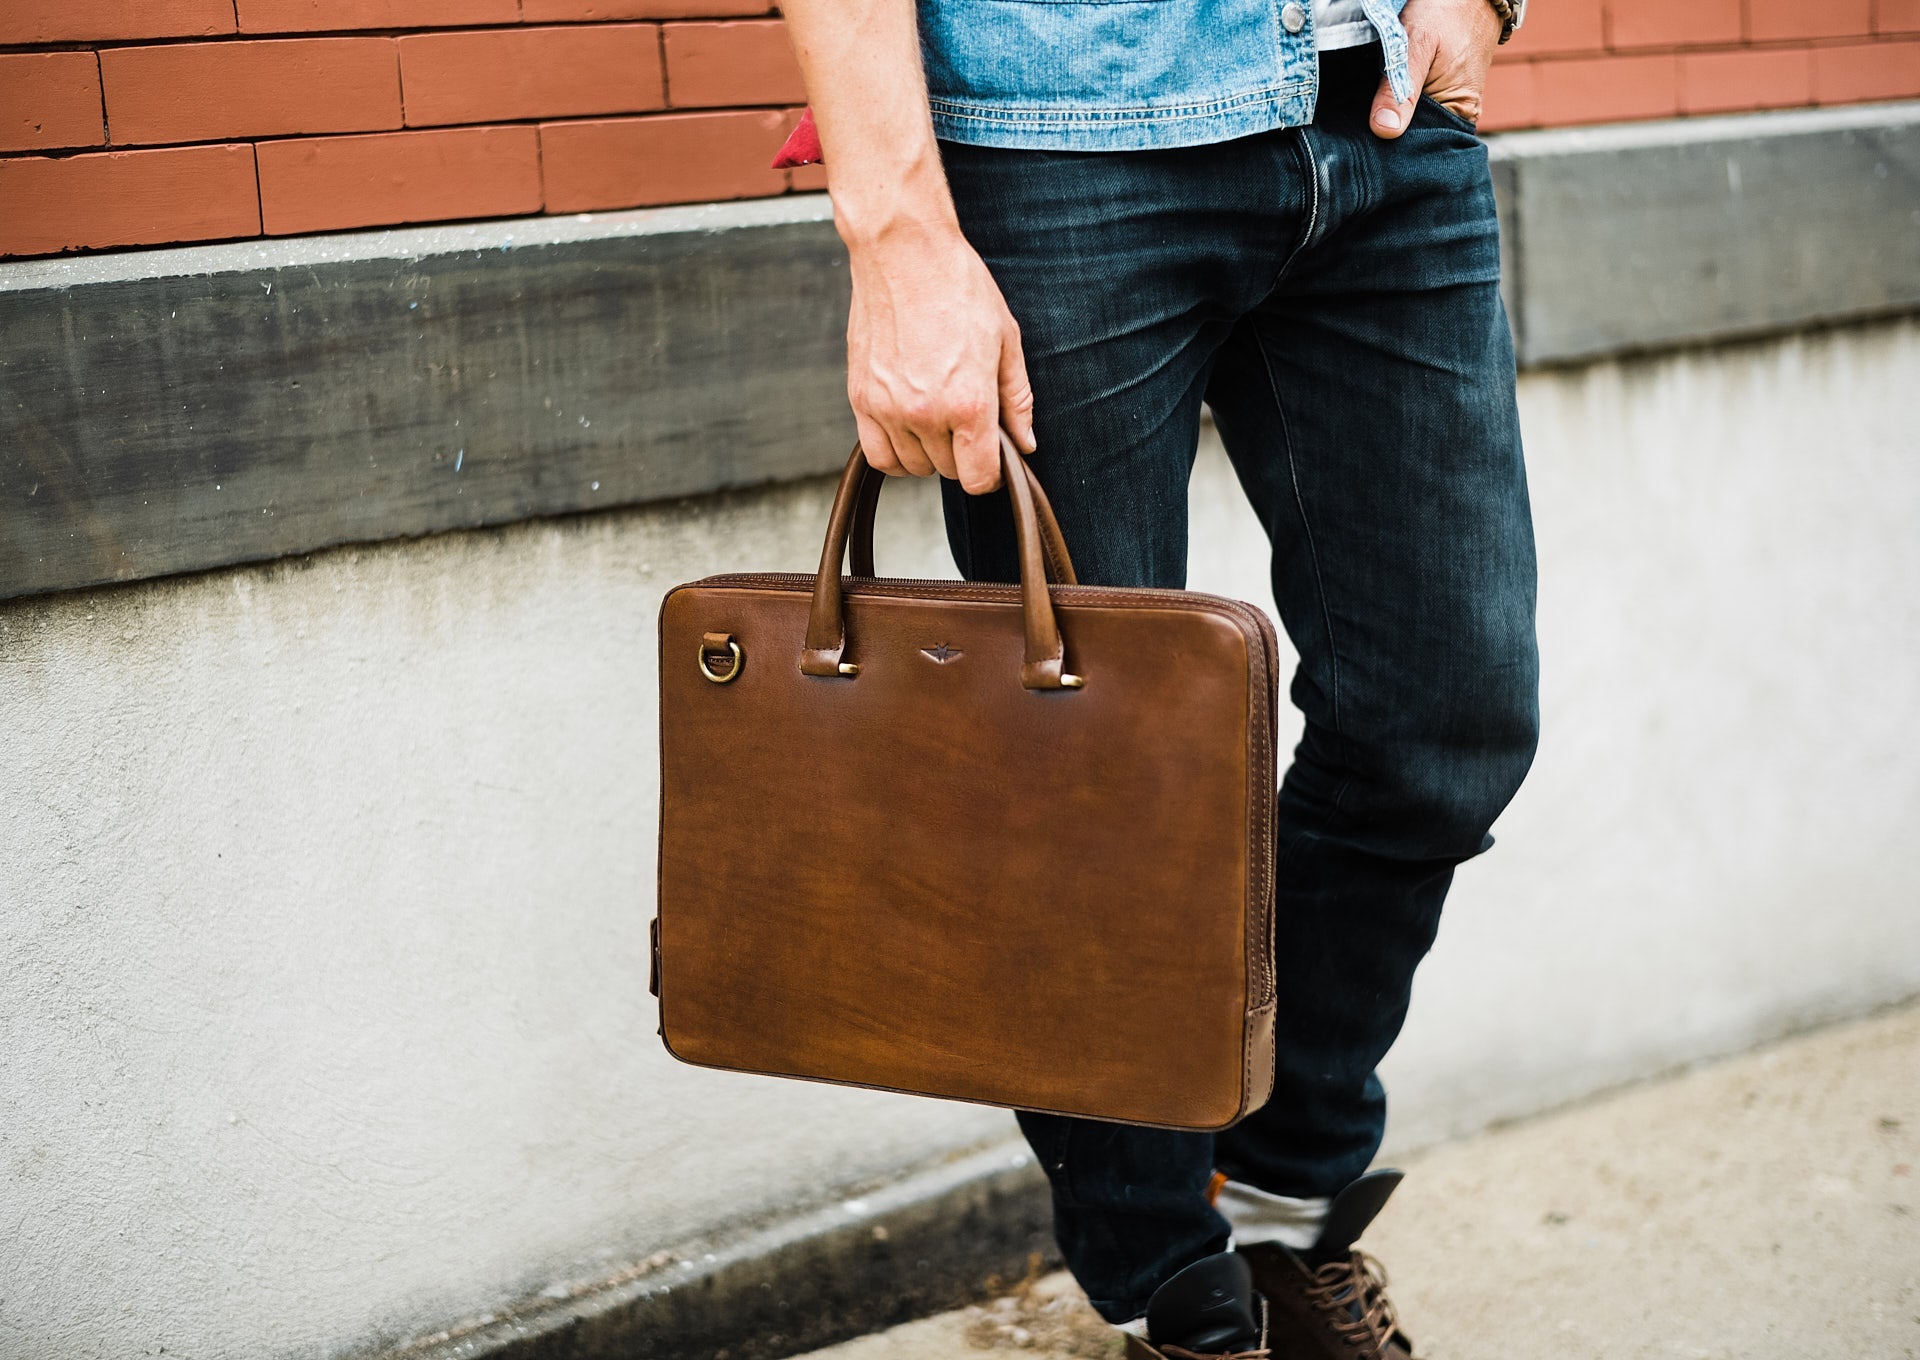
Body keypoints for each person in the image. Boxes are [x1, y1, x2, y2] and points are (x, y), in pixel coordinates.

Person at [777, 0, 1541, 1354]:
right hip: (1060, 139)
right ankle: (1176, 1288)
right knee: (1092, 778)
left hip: (1380, 122)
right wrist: (896, 236)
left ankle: (1273, 1197)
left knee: (1446, 716)